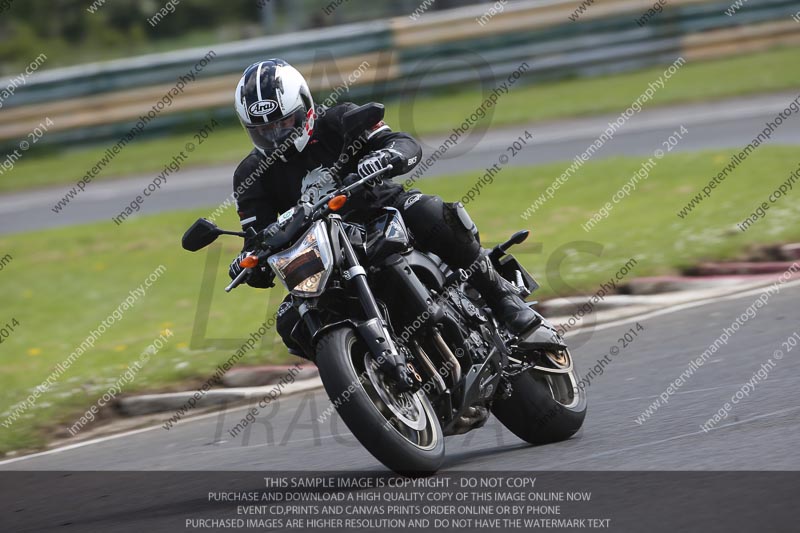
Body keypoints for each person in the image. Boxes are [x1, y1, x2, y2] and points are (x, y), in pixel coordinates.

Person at [228, 59, 539, 354]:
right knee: (289, 320)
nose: (276, 135)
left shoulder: (337, 121)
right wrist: (248, 263)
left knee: (426, 210)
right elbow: (258, 238)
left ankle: (501, 297)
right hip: (323, 256)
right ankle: (363, 368)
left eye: (284, 123)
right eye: (263, 131)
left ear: (305, 107)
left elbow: (403, 143)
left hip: (381, 212)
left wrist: (386, 156)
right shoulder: (250, 174)